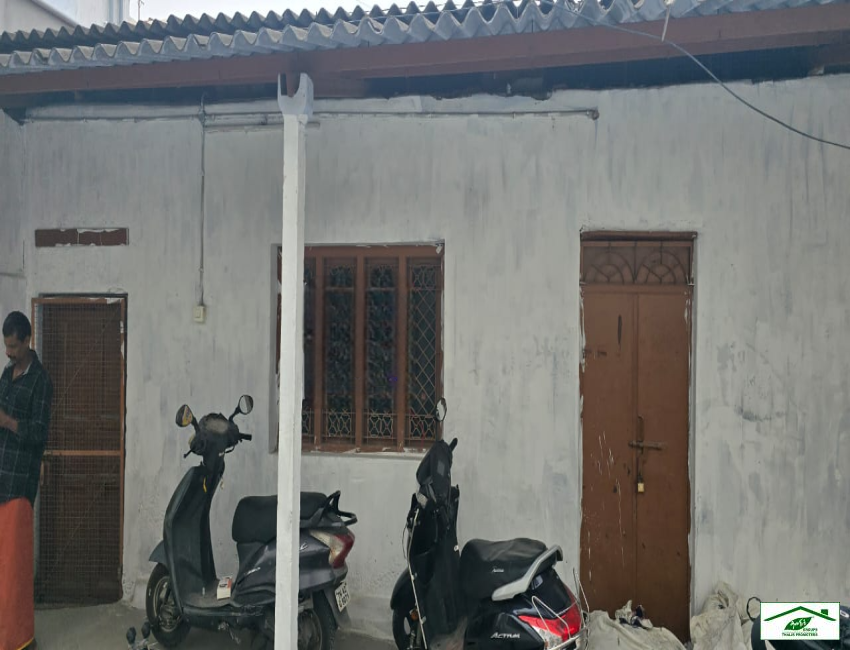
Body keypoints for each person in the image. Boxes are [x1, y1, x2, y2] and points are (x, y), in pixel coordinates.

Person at [0, 311, 53, 650]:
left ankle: (19, 640)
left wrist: (7, 422)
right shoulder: (6, 374)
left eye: (14, 347)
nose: (9, 353)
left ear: (27, 340)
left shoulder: (41, 381)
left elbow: (39, 433)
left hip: (19, 485)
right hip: (0, 478)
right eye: (6, 346)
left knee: (14, 569)